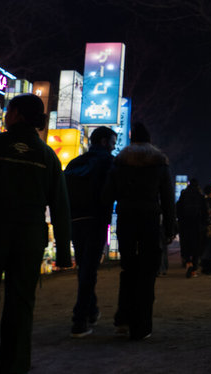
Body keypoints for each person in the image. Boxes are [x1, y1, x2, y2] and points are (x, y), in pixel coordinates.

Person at [0, 93, 71, 374]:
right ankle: (14, 365)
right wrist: (64, 252)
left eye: (8, 111)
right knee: (20, 302)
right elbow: (60, 206)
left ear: (16, 114)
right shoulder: (48, 156)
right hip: (28, 237)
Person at [105, 122, 175, 340]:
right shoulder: (159, 162)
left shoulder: (120, 161)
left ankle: (123, 318)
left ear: (131, 138)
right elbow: (167, 199)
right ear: (149, 139)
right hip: (150, 221)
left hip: (125, 219)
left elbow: (108, 194)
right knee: (147, 273)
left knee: (128, 269)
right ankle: (142, 326)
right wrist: (170, 227)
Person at [64, 126, 117, 338]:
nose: (113, 147)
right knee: (89, 269)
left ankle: (91, 310)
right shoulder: (108, 163)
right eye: (112, 143)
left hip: (75, 220)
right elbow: (113, 191)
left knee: (85, 268)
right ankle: (80, 319)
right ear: (104, 142)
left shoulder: (75, 162)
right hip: (96, 220)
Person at [175, 178, 206, 278]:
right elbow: (204, 212)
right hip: (197, 226)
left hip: (185, 226)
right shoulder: (200, 196)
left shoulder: (184, 194)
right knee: (196, 248)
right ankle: (194, 269)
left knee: (186, 247)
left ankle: (188, 264)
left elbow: (178, 208)